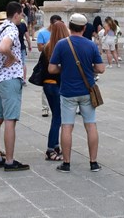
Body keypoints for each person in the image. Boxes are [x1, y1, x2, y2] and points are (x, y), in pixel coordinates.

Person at [48, 13, 106, 173]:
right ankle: (93, 162)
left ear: (70, 26)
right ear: (85, 28)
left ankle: (66, 163)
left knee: (67, 126)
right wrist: (89, 68)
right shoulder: (91, 45)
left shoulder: (61, 44)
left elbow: (51, 68)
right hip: (87, 91)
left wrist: (64, 68)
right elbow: (101, 68)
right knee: (91, 125)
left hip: (67, 92)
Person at [0, 2, 29, 172]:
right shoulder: (12, 29)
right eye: (21, 15)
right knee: (10, 120)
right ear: (17, 14)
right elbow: (4, 47)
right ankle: (10, 161)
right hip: (10, 77)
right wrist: (12, 57)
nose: (22, 18)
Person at [41, 20, 69, 161]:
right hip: (58, 85)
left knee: (56, 116)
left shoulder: (47, 47)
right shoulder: (64, 47)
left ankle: (56, 145)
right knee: (58, 117)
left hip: (47, 84)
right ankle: (50, 148)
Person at [37, 14, 62, 117]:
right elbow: (39, 47)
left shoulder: (61, 33)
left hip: (58, 62)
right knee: (46, 85)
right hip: (47, 60)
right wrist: (50, 47)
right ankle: (45, 108)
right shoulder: (42, 33)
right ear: (51, 24)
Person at [17, 16, 32, 83]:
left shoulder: (12, 25)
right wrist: (29, 45)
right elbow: (27, 37)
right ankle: (24, 79)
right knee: (23, 63)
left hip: (14, 46)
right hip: (22, 46)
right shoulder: (23, 25)